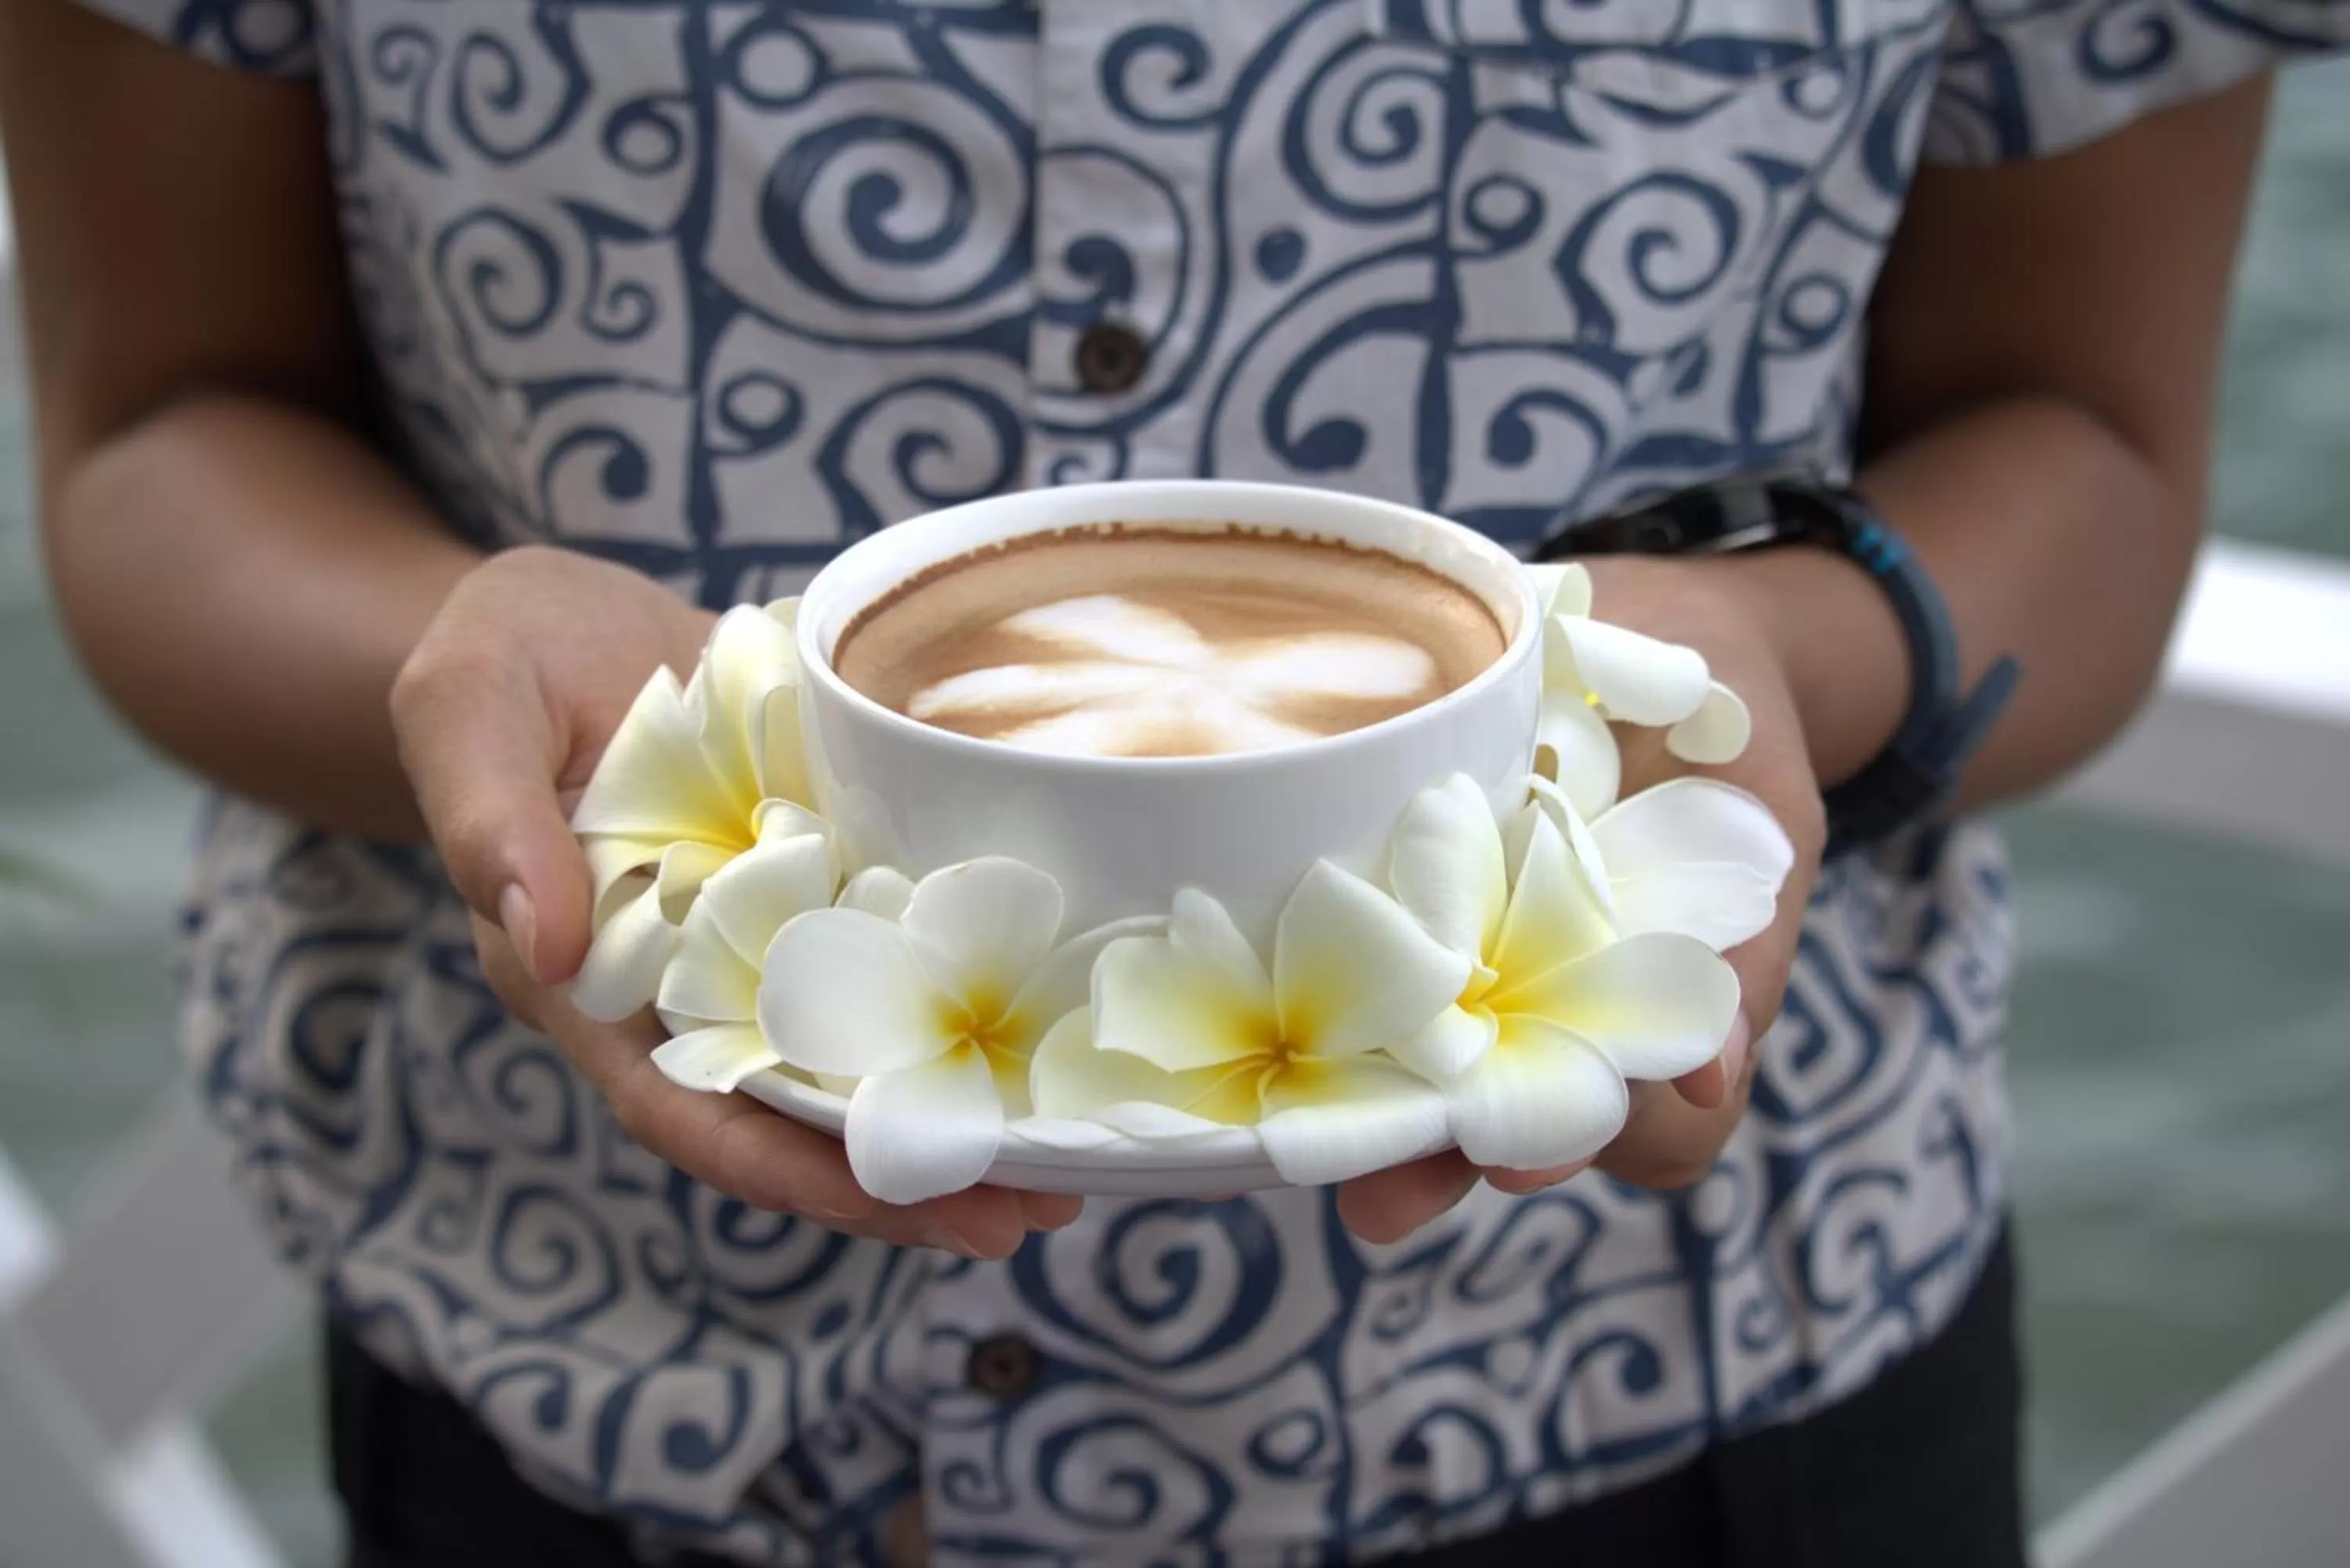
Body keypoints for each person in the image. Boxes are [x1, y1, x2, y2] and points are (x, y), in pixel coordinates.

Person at [2, 2, 2339, 1563]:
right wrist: (493, 719)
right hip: (589, 1371)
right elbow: (160, 428)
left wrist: (1762, 669)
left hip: (1683, 1378)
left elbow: (2095, 440)